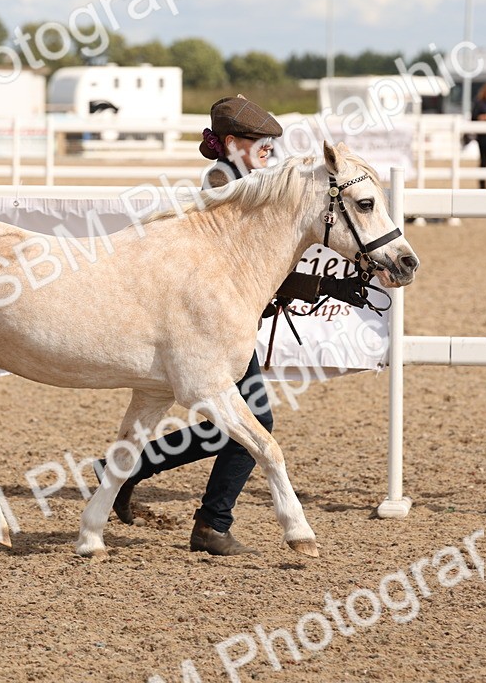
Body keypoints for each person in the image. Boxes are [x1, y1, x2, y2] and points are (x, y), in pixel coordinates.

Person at [95, 95, 361, 556]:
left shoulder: (247, 180)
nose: (268, 150)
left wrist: (322, 287)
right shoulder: (224, 181)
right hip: (210, 325)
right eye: (260, 142)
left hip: (225, 322)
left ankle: (140, 474)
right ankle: (209, 523)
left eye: (271, 143)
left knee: (238, 425)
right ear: (233, 143)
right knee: (253, 423)